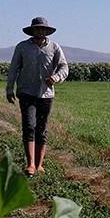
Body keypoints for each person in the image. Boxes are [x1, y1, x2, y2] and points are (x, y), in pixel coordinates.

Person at [5, 16, 69, 176]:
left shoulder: (54, 47)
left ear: (47, 31)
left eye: (42, 29)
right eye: (37, 28)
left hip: (46, 95)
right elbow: (14, 68)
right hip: (26, 92)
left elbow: (64, 67)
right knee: (29, 125)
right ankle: (31, 164)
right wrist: (9, 89)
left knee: (41, 128)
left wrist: (56, 77)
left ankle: (39, 164)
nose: (40, 31)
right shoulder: (22, 47)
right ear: (32, 31)